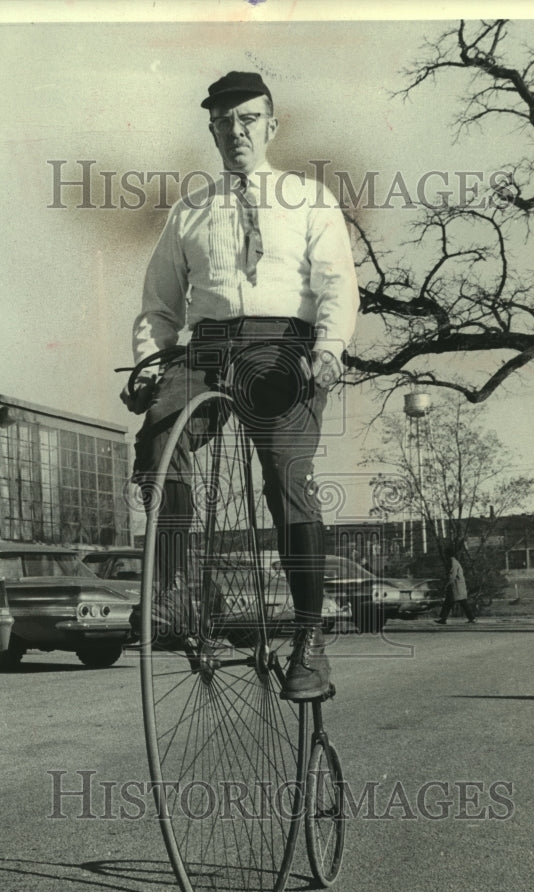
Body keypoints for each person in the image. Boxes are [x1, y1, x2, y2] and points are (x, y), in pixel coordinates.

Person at [122, 71, 359, 700]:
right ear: (211, 130)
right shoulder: (190, 210)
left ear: (272, 125)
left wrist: (329, 350)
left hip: (282, 346)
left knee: (285, 475)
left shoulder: (310, 199)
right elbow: (158, 306)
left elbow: (337, 283)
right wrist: (150, 363)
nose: (236, 132)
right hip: (208, 347)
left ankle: (310, 636)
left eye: (249, 119)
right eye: (224, 122)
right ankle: (174, 589)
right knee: (157, 444)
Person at [434, 546, 477, 624]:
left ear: (448, 554)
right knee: (453, 602)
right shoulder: (454, 561)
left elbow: (452, 576)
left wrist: (446, 585)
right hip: (457, 586)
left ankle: (443, 619)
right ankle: (443, 619)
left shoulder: (452, 562)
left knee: (456, 602)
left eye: (445, 553)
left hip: (456, 587)